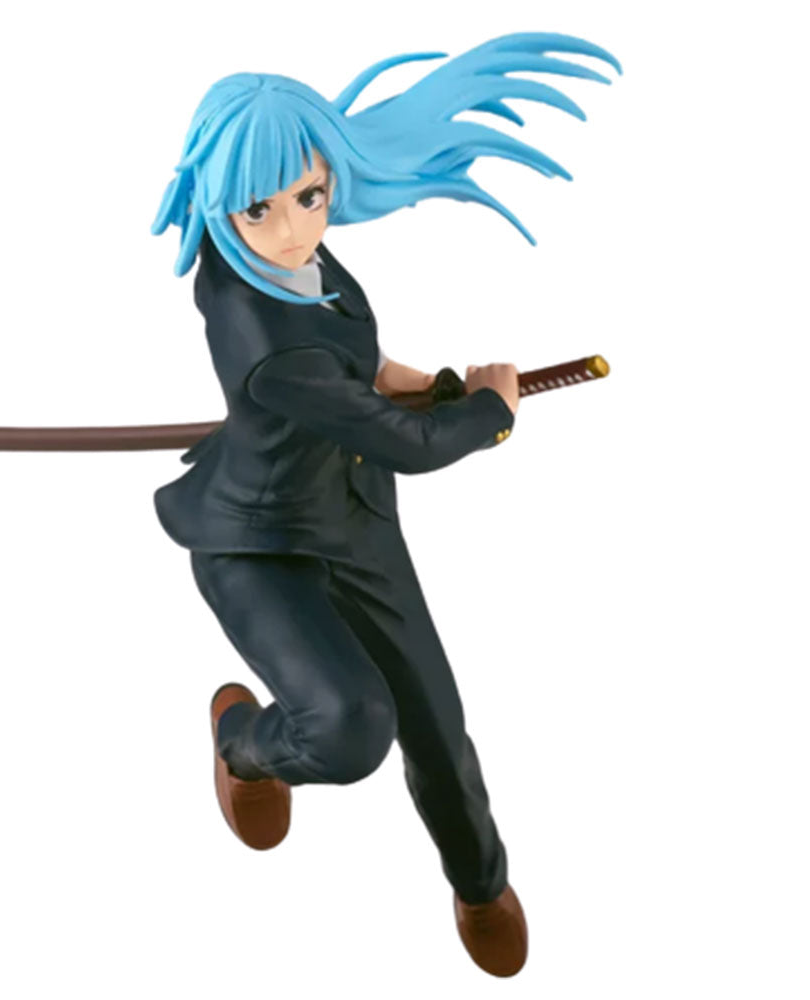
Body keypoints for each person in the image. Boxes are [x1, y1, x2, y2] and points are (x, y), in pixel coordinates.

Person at [150, 32, 619, 976]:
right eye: (259, 207)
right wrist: (489, 410)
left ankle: (480, 883)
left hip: (351, 514)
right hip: (260, 544)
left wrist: (421, 381)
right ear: (218, 201)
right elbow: (407, 443)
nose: (293, 230)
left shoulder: (305, 265)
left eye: (310, 197)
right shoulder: (264, 337)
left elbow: (356, 365)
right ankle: (243, 745)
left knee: (436, 722)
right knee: (350, 727)